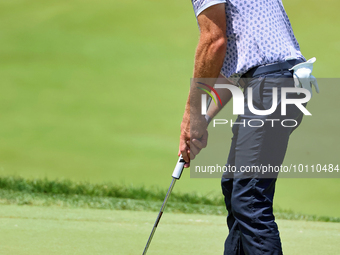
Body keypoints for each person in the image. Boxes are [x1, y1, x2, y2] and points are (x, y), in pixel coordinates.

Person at [179, 1, 318, 254]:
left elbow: (214, 41)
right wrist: (204, 120)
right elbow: (237, 70)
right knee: (235, 187)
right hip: (284, 81)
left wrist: (192, 114)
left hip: (271, 84)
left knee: (249, 197)